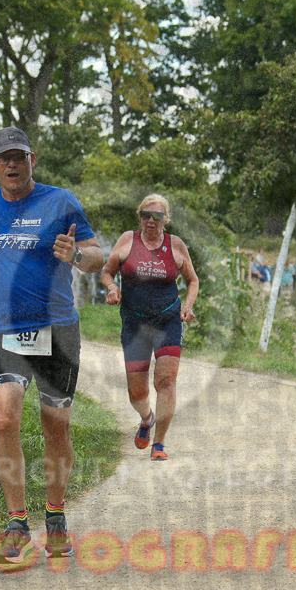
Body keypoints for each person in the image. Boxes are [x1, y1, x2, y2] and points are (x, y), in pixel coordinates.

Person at [0, 126, 103, 567]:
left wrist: (76, 254)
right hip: (5, 331)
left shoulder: (61, 201)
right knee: (4, 420)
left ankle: (55, 517)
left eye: (21, 156)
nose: (14, 165)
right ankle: (16, 525)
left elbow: (98, 255)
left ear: (32, 159)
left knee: (55, 427)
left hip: (57, 329)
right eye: (5, 158)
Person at [99, 194, 199, 461]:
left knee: (165, 381)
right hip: (134, 322)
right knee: (137, 392)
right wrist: (111, 287)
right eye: (146, 215)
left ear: (166, 219)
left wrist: (187, 306)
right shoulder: (127, 240)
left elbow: (192, 280)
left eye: (157, 216)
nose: (150, 221)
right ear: (139, 216)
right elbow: (107, 272)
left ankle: (159, 444)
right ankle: (147, 417)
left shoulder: (175, 245)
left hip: (167, 320)